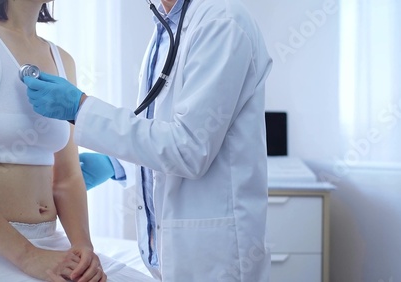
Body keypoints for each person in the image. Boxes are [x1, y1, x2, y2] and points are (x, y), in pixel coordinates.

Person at [24, 0, 273, 281]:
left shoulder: (222, 22)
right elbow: (162, 132)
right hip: (168, 256)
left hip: (216, 256)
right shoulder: (166, 28)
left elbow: (189, 148)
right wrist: (115, 164)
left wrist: (81, 109)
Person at [0, 1, 156, 281]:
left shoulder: (62, 59)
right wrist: (27, 256)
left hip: (49, 242)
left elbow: (67, 177)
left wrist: (83, 248)